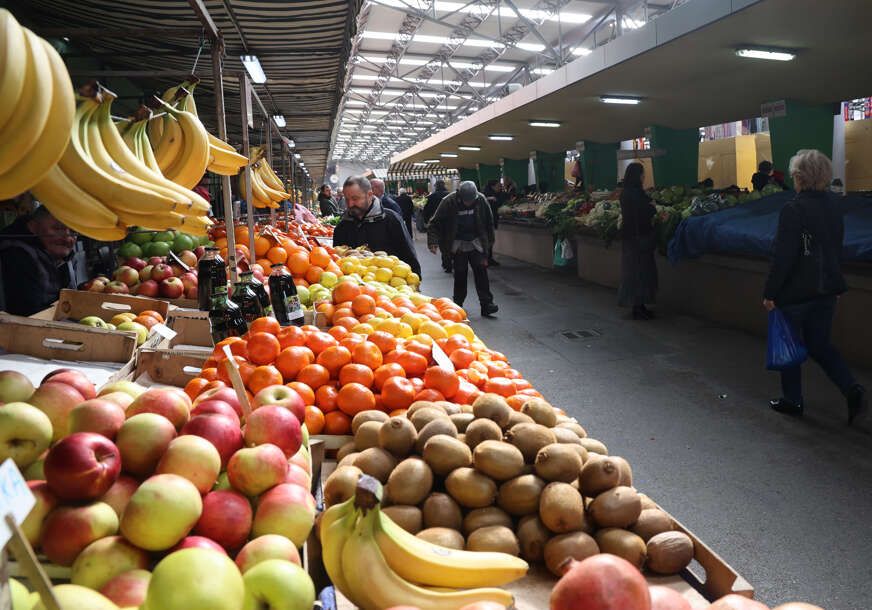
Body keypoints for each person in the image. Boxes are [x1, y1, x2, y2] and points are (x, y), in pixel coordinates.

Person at [762, 149, 866, 422]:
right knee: (820, 345)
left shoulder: (793, 209)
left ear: (798, 177)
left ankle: (793, 400)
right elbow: (835, 248)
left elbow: (783, 256)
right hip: (827, 289)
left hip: (795, 292)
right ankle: (851, 388)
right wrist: (835, 282)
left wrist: (770, 293)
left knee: (790, 345)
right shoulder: (834, 205)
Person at [427, 181, 498, 318]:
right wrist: (433, 242)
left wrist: (488, 244)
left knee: (481, 272)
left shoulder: (481, 199)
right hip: (457, 243)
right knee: (460, 273)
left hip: (476, 241)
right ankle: (458, 304)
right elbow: (434, 223)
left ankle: (487, 304)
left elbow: (489, 222)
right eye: (466, 201)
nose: (469, 203)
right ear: (459, 195)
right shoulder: (448, 201)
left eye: (471, 201)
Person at [333, 176, 420, 276]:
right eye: (347, 199)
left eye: (355, 198)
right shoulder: (342, 226)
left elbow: (408, 255)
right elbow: (336, 262)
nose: (350, 204)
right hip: (353, 284)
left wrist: (415, 279)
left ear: (369, 195)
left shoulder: (391, 219)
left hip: (390, 283)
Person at [0, 205, 78, 316]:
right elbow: (26, 313)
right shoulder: (17, 255)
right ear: (33, 227)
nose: (67, 238)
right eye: (57, 229)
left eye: (73, 231)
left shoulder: (65, 256)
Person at [617, 163, 657, 320]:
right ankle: (638, 307)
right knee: (641, 273)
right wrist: (652, 207)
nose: (644, 177)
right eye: (642, 174)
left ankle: (638, 306)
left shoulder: (625, 193)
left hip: (629, 237)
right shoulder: (636, 194)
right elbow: (644, 212)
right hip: (639, 238)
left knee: (633, 273)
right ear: (637, 176)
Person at [422, 180, 451, 272]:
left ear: (436, 186)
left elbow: (426, 210)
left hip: (437, 222)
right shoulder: (449, 195)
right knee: (451, 242)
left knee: (443, 243)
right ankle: (452, 261)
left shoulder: (432, 196)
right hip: (449, 222)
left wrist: (426, 221)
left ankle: (446, 263)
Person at [482, 180, 501, 266]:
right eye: (498, 186)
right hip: (487, 222)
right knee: (488, 241)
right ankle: (487, 259)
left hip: (488, 221)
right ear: (492, 186)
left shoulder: (491, 194)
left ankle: (488, 258)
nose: (500, 188)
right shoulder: (487, 196)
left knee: (489, 241)